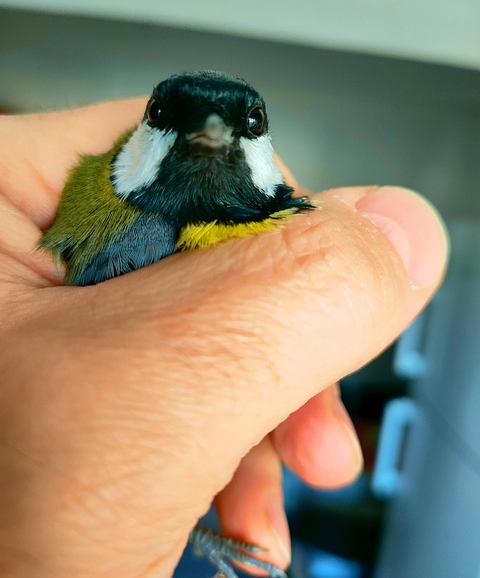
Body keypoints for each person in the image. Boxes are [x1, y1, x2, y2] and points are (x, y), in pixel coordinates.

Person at [0, 99, 448, 578]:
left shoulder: (252, 218)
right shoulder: (128, 229)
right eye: (165, 118)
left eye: (247, 123)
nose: (210, 135)